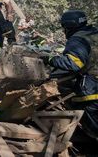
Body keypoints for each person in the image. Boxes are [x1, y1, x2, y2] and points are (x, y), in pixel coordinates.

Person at [42, 10, 98, 139]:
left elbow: (73, 64)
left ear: (68, 26)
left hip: (93, 88)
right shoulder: (94, 32)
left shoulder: (78, 39)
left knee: (93, 123)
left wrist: (50, 59)